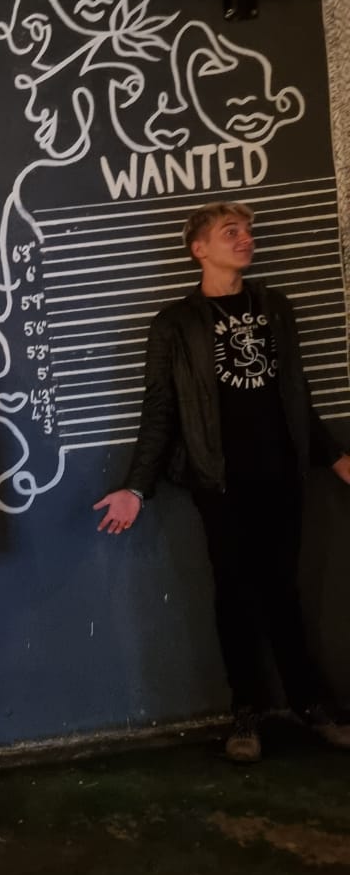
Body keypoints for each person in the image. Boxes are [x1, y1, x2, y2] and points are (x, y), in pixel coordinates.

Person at [93, 201, 350, 763]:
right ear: (199, 249)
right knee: (235, 595)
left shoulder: (275, 308)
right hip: (220, 482)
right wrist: (136, 487)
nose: (245, 238)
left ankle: (311, 705)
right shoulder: (175, 324)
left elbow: (298, 394)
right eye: (230, 231)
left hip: (282, 475)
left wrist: (335, 458)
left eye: (248, 231)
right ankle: (246, 712)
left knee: (283, 592)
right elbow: (160, 411)